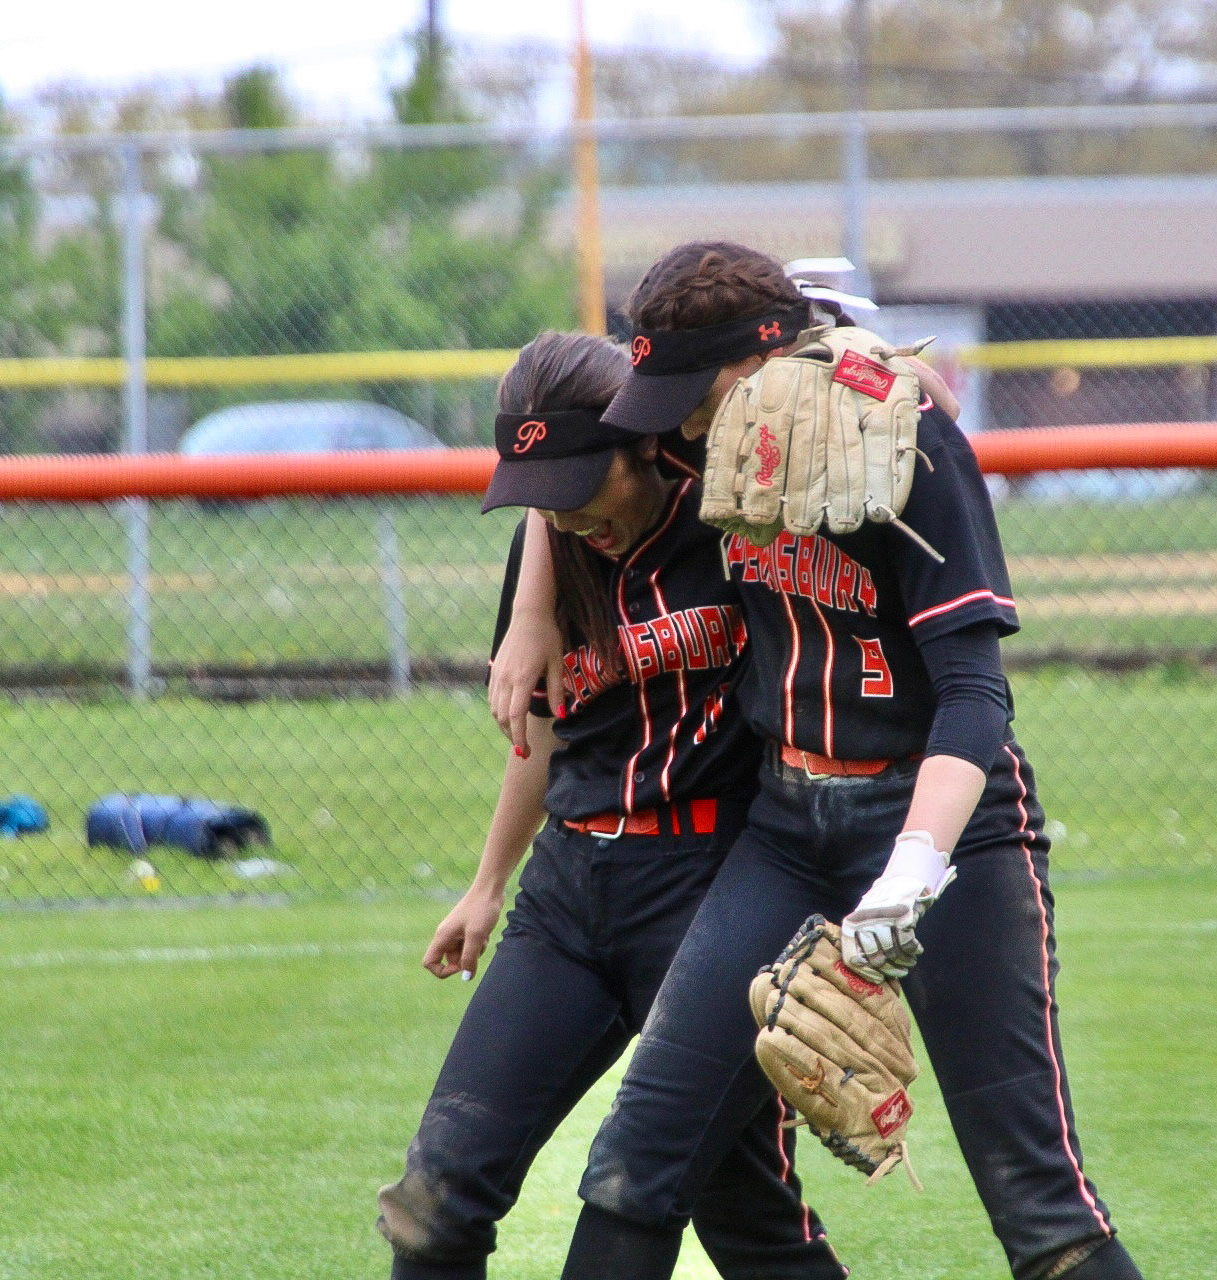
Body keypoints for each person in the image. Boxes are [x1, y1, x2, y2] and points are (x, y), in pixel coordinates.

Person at [497, 244, 1145, 1280]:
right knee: (633, 1162)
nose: (676, 428)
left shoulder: (906, 441)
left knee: (1039, 1206)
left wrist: (912, 870)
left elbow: (976, 696)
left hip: (946, 827)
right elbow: (566, 454)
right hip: (786, 829)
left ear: (763, 357)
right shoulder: (710, 434)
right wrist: (535, 606)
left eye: (690, 396)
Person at [375, 331, 845, 1280]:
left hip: (713, 897)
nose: (565, 511)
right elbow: (546, 734)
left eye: (581, 484)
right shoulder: (554, 542)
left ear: (645, 444)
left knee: (736, 1217)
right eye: (543, 493)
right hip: (568, 897)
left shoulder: (735, 517)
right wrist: (487, 884)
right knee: (437, 1199)